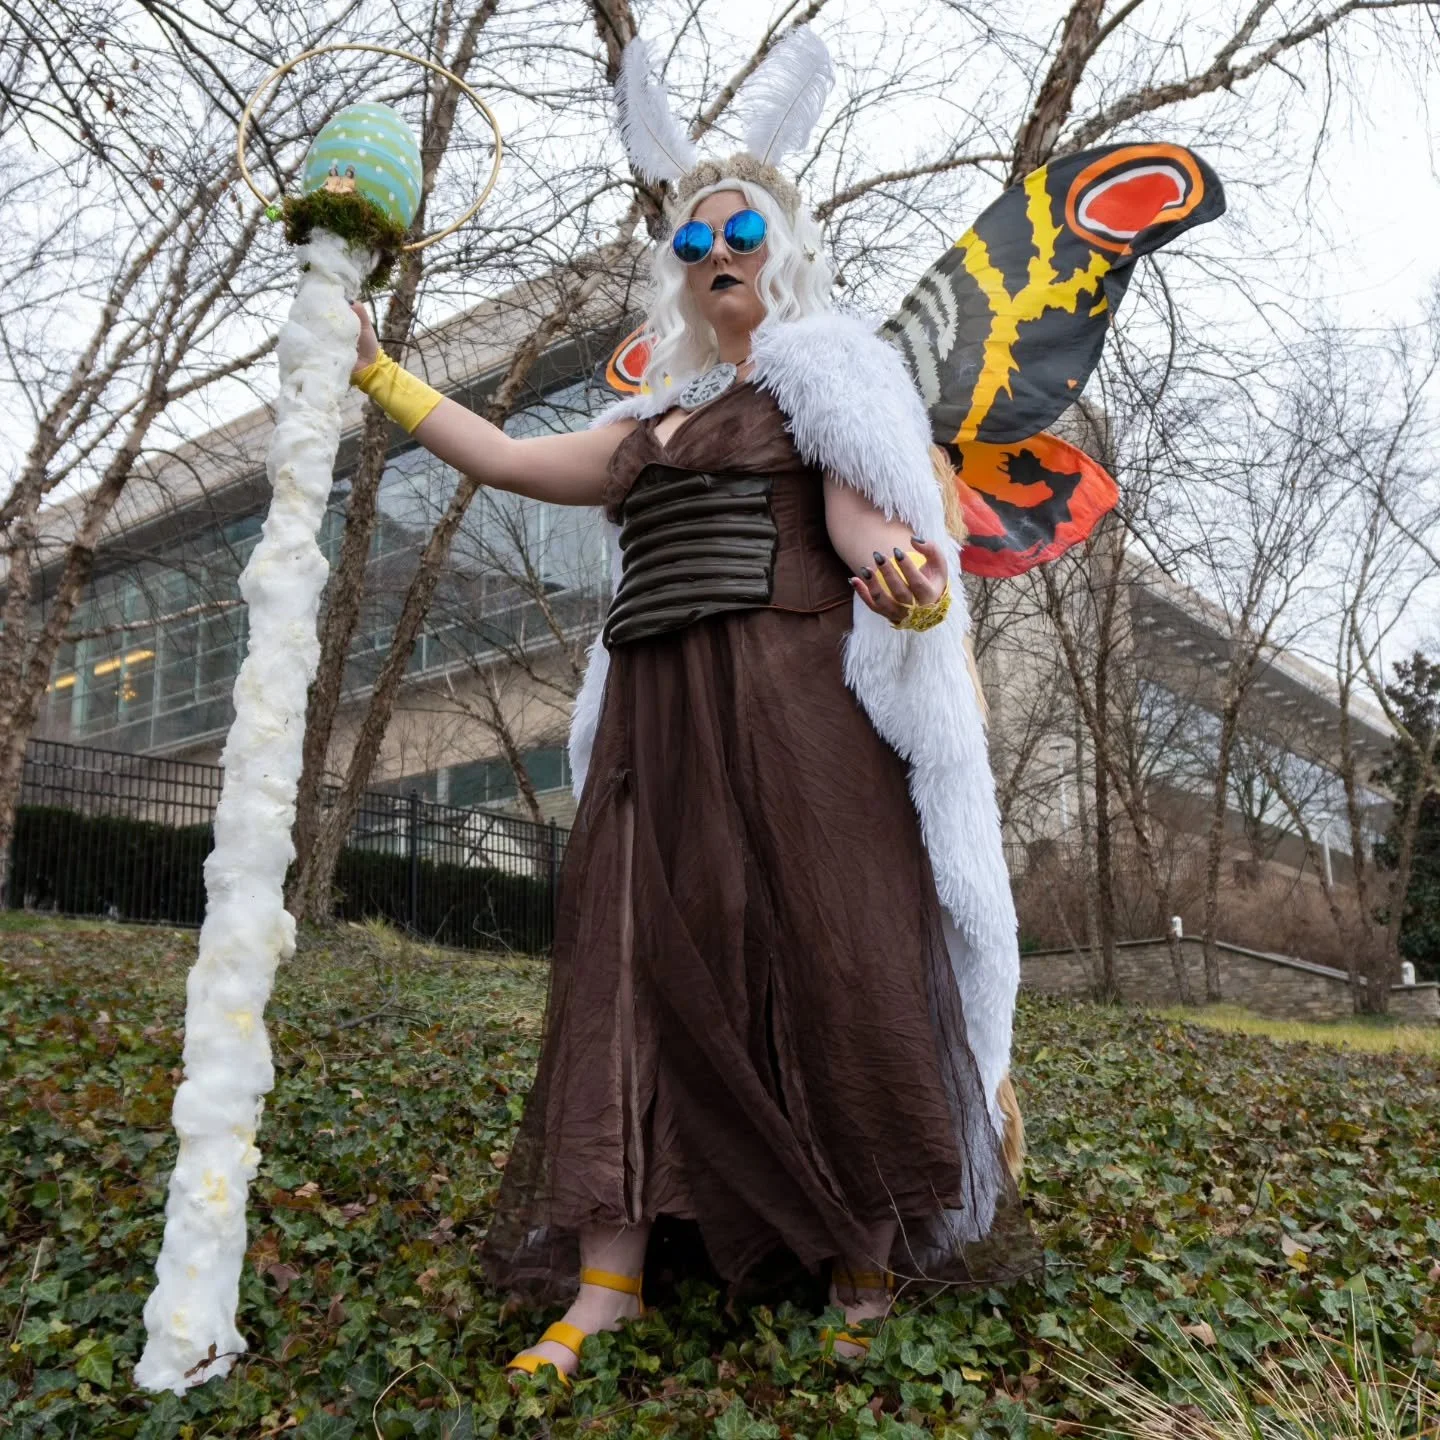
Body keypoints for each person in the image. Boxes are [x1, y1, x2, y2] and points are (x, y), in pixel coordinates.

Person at [347, 28, 1031, 1383]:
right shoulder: (651, 424)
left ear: (781, 242)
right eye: (696, 234)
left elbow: (865, 520)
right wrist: (377, 371)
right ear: (676, 263)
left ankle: (862, 1249)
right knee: (631, 969)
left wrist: (913, 590)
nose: (719, 248)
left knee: (831, 954)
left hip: (793, 717)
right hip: (660, 726)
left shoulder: (826, 378)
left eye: (743, 227)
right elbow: (501, 453)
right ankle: (610, 1276)